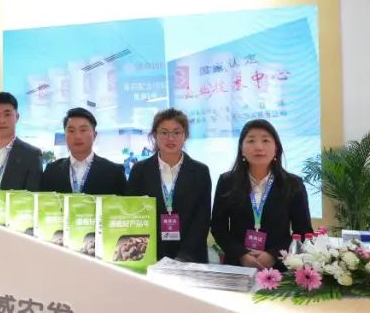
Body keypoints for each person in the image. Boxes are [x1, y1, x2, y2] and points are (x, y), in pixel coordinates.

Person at [211, 119, 313, 269]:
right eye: (251, 141)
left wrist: (273, 255)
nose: (259, 147)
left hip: (280, 267)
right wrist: (241, 254)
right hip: (238, 266)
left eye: (265, 140)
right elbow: (218, 227)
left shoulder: (293, 184)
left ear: (276, 148)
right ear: (242, 149)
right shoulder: (227, 181)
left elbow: (303, 232)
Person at [126, 109, 212, 263]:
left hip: (191, 257)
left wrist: (185, 256)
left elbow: (202, 218)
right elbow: (132, 213)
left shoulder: (200, 171)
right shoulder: (140, 170)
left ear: (185, 135)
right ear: (154, 135)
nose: (170, 138)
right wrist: (146, 252)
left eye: (176, 132)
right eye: (164, 132)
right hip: (149, 254)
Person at [39, 107, 124, 196]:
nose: (77, 136)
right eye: (71, 131)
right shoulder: (52, 171)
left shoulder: (114, 172)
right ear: (65, 136)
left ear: (94, 135)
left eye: (83, 130)